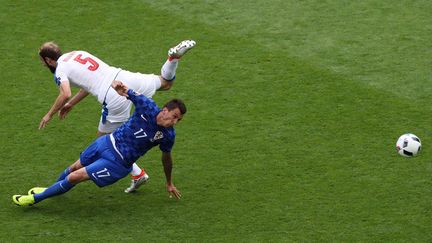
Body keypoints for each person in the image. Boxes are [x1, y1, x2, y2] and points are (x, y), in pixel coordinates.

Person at [37, 39, 195, 193]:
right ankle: (173, 58)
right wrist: (72, 104)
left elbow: (65, 93)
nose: (43, 65)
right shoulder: (76, 53)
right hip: (124, 77)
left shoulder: (60, 70)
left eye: (43, 62)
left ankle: (136, 173)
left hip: (113, 95)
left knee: (104, 142)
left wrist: (48, 114)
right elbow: (88, 83)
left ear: (50, 60)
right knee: (165, 82)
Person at [12, 80, 186, 206]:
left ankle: (34, 200)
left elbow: (166, 159)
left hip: (117, 162)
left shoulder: (167, 135)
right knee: (72, 168)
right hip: (105, 143)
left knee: (75, 176)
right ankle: (50, 189)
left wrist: (169, 182)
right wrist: (118, 86)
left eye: (178, 120)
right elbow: (124, 90)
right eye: (175, 117)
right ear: (165, 110)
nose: (175, 122)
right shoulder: (147, 106)